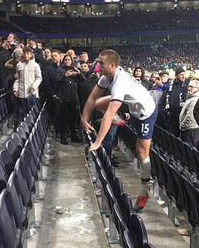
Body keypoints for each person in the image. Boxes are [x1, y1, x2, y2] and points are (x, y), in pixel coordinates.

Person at [81, 49, 157, 212]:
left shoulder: (119, 83)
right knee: (99, 103)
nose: (98, 65)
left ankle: (145, 190)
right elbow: (92, 98)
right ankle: (119, 119)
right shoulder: (106, 77)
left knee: (141, 152)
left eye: (101, 63)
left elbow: (108, 114)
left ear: (112, 65)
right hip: (131, 104)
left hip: (145, 113)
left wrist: (98, 142)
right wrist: (84, 119)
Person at [56, 54, 85, 144]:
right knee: (63, 119)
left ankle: (74, 136)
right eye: (65, 60)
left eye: (69, 60)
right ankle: (63, 137)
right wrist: (65, 75)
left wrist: (79, 72)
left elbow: (83, 79)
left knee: (73, 119)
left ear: (72, 61)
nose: (67, 61)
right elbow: (57, 80)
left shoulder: (74, 69)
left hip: (73, 98)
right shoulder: (60, 70)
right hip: (64, 98)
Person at [13, 47, 42, 123]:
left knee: (32, 113)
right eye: (24, 53)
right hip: (21, 93)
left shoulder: (35, 65)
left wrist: (33, 87)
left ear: (31, 54)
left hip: (31, 93)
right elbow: (17, 79)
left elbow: (39, 78)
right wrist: (15, 89)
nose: (26, 55)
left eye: (28, 53)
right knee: (23, 112)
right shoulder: (19, 65)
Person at [159, 66, 188, 137]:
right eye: (181, 74)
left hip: (184, 117)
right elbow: (163, 99)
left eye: (184, 74)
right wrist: (165, 111)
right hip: (172, 117)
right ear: (176, 75)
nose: (183, 76)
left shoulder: (188, 85)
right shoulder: (171, 86)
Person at [179, 79, 199, 146]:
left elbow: (190, 116)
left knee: (190, 150)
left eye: (191, 87)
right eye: (188, 86)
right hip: (188, 129)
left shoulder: (195, 99)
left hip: (191, 129)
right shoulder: (191, 97)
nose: (189, 88)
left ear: (197, 88)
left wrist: (182, 126)